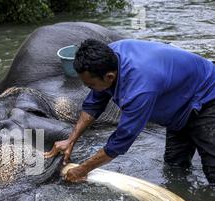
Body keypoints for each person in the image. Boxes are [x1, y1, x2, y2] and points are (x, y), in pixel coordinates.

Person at [45, 39, 215, 184]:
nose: (89, 89)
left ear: (109, 77)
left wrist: (83, 169)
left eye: (91, 85)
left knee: (212, 171)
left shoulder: (139, 89)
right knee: (174, 166)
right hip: (179, 105)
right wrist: (71, 140)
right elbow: (93, 104)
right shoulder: (107, 57)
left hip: (207, 98)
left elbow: (121, 141)